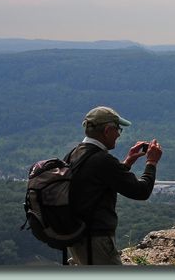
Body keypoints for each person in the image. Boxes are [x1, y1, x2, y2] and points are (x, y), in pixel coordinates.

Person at [66, 106, 162, 265]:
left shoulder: (74, 154)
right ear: (107, 130)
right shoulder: (102, 160)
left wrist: (128, 161)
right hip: (96, 240)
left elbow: (99, 182)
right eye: (117, 129)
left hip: (77, 237)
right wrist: (152, 162)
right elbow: (141, 191)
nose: (118, 134)